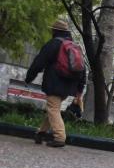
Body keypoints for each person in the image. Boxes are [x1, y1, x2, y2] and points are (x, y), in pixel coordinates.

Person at [24, 19, 86, 147]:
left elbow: (38, 63)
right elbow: (82, 69)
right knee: (53, 108)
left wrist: (28, 78)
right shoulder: (74, 46)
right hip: (70, 85)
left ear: (55, 31)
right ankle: (40, 133)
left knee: (53, 108)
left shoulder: (53, 44)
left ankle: (59, 137)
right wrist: (79, 89)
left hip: (55, 83)